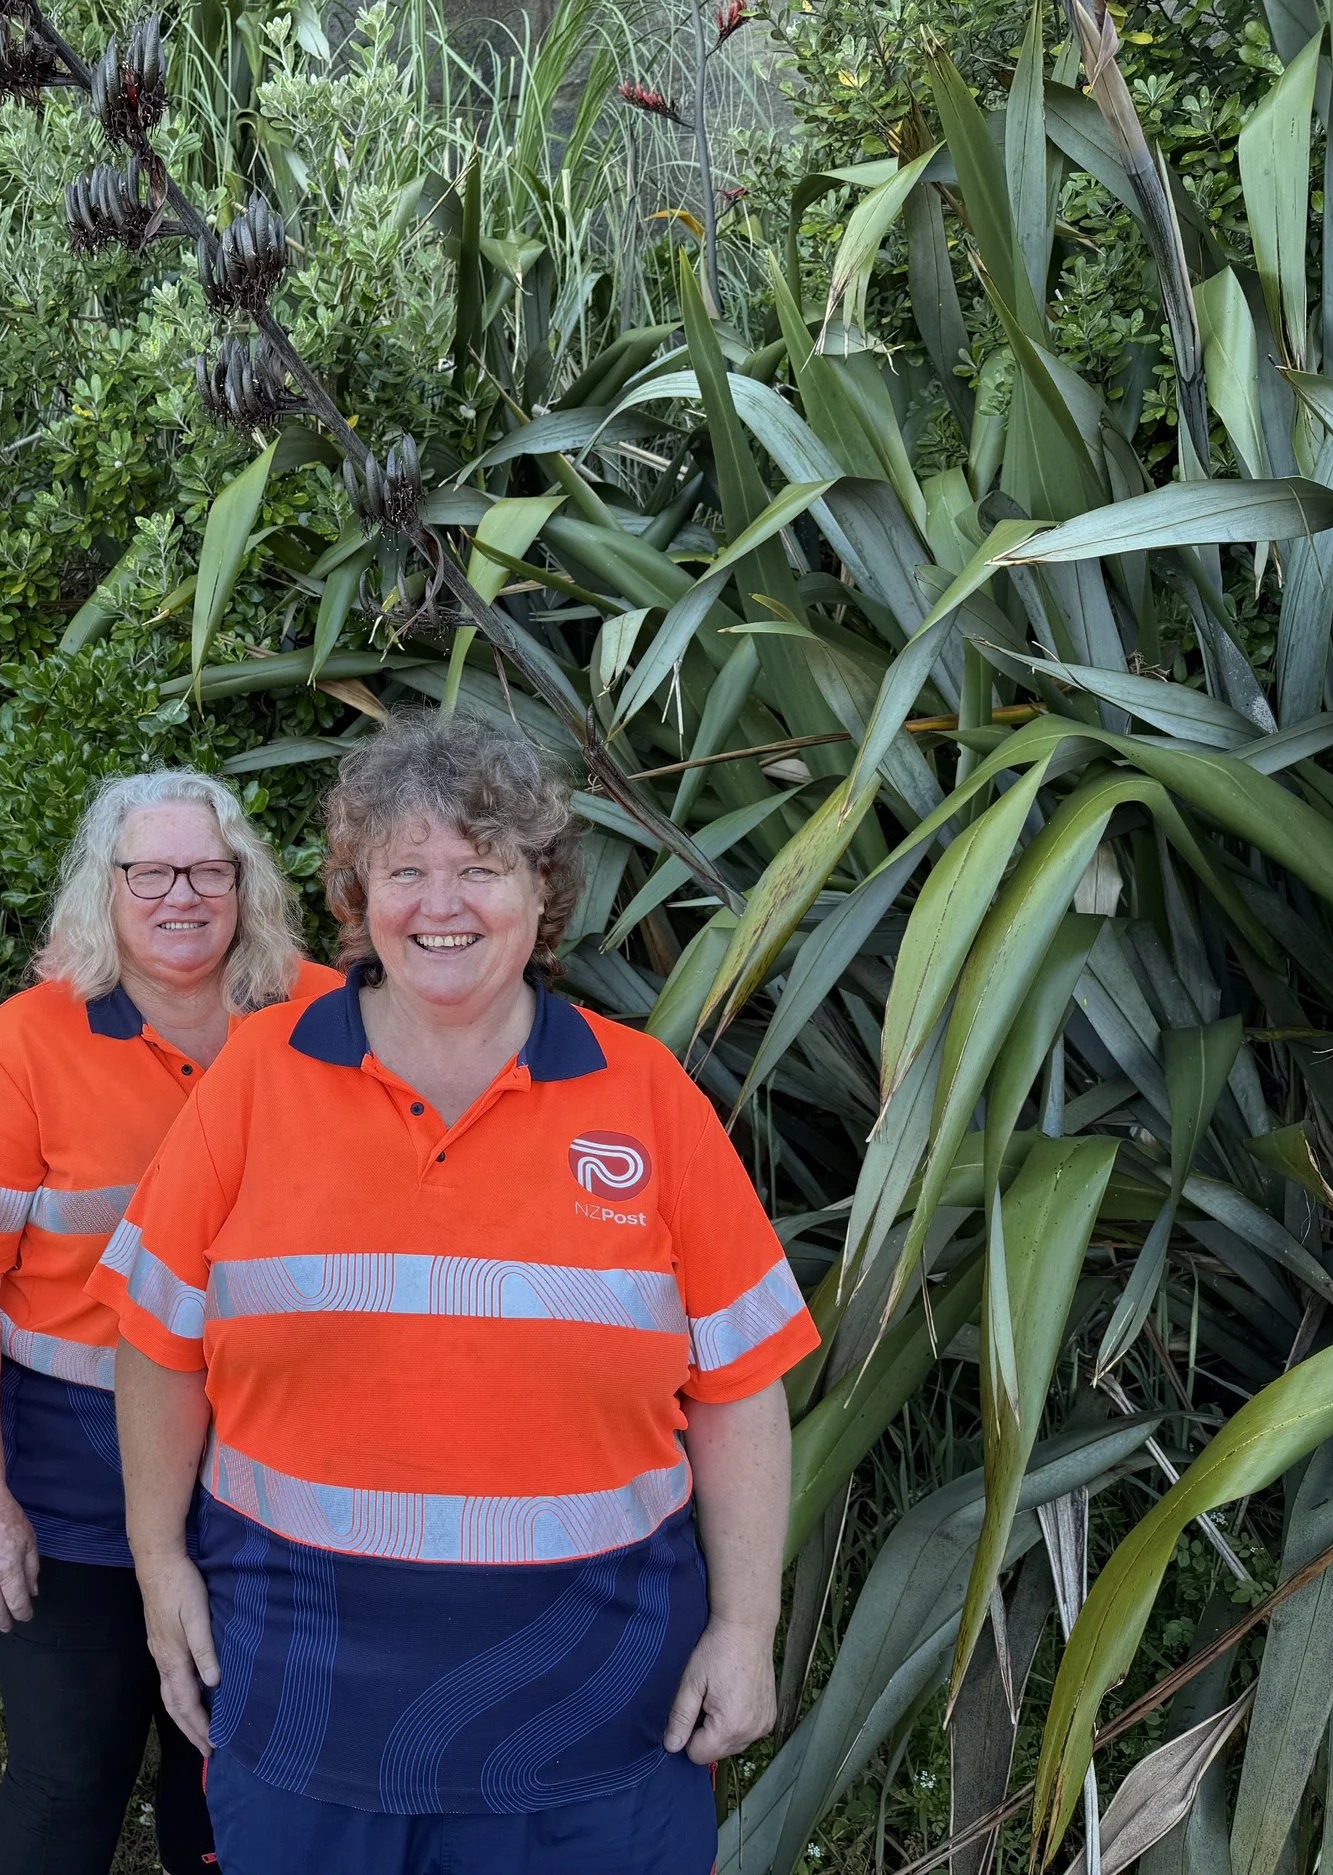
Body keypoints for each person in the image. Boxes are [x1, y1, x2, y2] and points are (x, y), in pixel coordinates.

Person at [87, 712, 818, 1875]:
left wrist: (746, 1626)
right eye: (404, 870)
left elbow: (739, 1389)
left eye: (481, 868)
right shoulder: (254, 1082)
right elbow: (156, 1347)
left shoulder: (646, 1098)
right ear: (356, 896)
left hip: (596, 1715)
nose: (442, 904)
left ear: (541, 896)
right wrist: (159, 1562)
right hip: (304, 1702)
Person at [0, 771, 338, 1875]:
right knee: (67, 1777)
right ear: (107, 888)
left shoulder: (329, 1019)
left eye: (206, 870)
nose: (180, 895)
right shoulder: (23, 1046)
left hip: (272, 1472)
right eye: (150, 872)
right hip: (75, 1475)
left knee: (238, 1773)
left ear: (244, 884)